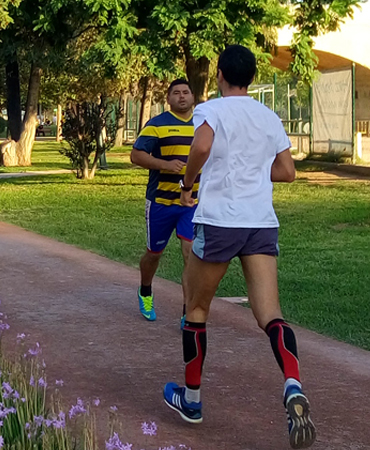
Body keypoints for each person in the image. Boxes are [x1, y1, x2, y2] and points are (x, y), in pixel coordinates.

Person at [162, 45, 315, 449]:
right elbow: (287, 171)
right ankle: (293, 385)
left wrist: (188, 184)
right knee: (270, 314)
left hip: (219, 220)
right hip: (260, 223)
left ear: (219, 76)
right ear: (250, 77)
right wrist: (250, 167)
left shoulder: (212, 110)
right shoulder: (268, 116)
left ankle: (191, 400)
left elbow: (201, 147)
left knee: (195, 307)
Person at [130, 79, 196, 325]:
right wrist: (165, 165)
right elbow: (136, 155)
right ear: (168, 99)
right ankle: (145, 290)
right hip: (161, 201)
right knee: (153, 254)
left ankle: (188, 312)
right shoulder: (156, 125)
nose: (181, 97)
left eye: (186, 93)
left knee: (191, 255)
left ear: (193, 97)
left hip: (192, 203)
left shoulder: (203, 125)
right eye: (176, 93)